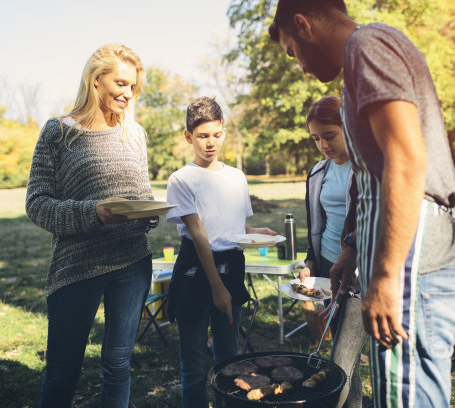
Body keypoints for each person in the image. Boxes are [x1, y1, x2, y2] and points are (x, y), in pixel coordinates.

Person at [269, 2, 455, 407]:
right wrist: (350, 247)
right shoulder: (359, 66)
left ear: (303, 24)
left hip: (413, 265)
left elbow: (407, 161)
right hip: (402, 264)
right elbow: (373, 173)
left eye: (293, 54)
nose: (301, 69)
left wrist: (383, 279)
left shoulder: (367, 45)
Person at [26, 44, 157, 408]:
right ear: (96, 80)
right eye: (120, 83)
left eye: (133, 87)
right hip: (76, 267)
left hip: (132, 262)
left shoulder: (135, 135)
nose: (128, 94)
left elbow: (142, 192)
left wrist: (149, 212)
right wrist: (93, 212)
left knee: (117, 365)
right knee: (63, 371)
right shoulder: (59, 132)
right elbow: (36, 204)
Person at [165, 96, 276, 408]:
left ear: (224, 131)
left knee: (230, 360)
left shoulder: (236, 177)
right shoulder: (181, 179)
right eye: (202, 136)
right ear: (188, 137)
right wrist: (217, 287)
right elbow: (200, 234)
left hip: (232, 265)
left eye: (217, 134)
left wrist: (256, 232)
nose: (210, 143)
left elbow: (228, 226)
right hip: (196, 270)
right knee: (194, 363)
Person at [300, 95, 366, 408]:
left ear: (348, 127)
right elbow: (317, 221)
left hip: (359, 273)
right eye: (316, 138)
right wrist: (311, 261)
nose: (323, 145)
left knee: (340, 358)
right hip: (328, 268)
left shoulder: (368, 168)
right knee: (345, 357)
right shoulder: (318, 173)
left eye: (329, 135)